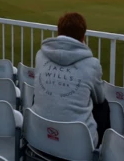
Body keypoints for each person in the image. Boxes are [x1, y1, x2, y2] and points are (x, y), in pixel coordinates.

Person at [32, 12, 105, 148]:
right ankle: (103, 148)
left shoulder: (40, 55)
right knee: (103, 106)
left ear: (58, 32)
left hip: (37, 134)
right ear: (83, 37)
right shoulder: (92, 64)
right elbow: (100, 99)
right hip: (77, 144)